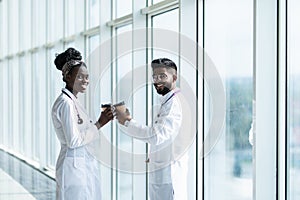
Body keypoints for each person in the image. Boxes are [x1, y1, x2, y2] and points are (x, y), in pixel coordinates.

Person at [116, 58, 188, 200]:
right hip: (162, 172)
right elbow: (168, 135)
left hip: (169, 176)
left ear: (174, 78)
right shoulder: (167, 101)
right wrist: (155, 155)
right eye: (155, 76)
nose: (157, 80)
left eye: (163, 76)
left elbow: (156, 136)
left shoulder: (173, 104)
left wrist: (128, 122)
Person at [51, 48, 114, 200]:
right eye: (80, 76)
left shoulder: (73, 101)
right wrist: (99, 123)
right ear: (67, 76)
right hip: (73, 167)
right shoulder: (65, 103)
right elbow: (74, 141)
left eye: (87, 77)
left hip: (82, 165)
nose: (85, 80)